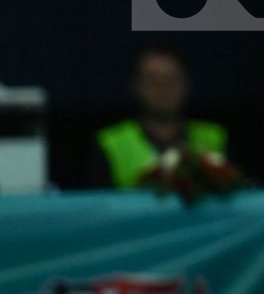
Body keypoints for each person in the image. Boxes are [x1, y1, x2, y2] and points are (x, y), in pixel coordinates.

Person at [96, 46, 229, 190]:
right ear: (135, 86)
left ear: (186, 84)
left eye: (172, 79)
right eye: (152, 80)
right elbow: (98, 205)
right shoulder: (110, 142)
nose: (163, 88)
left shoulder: (215, 137)